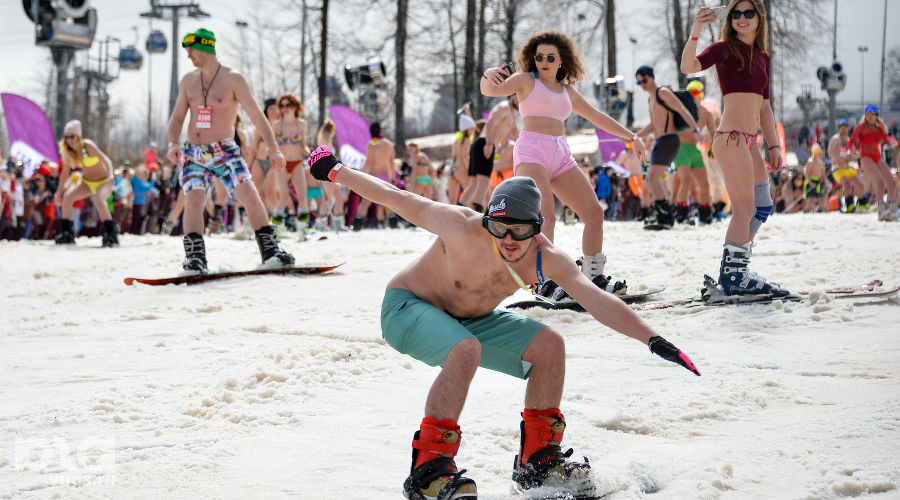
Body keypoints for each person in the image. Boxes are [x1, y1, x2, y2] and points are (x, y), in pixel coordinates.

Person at [306, 145, 701, 500]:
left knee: (550, 346)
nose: (508, 240)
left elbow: (598, 300)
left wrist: (653, 339)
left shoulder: (548, 258)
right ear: (487, 220)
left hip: (470, 319)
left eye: (520, 231)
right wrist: (335, 169)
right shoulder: (460, 226)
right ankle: (429, 472)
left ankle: (538, 462)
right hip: (407, 308)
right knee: (466, 350)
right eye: (499, 228)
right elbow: (395, 197)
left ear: (538, 228)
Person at [481, 29, 648, 302]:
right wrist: (489, 74)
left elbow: (598, 117)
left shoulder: (567, 91)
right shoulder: (525, 81)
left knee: (594, 212)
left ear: (561, 61)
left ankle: (593, 276)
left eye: (550, 57)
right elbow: (490, 89)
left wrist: (632, 136)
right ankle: (542, 281)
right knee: (545, 215)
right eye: (539, 56)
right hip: (532, 150)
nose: (544, 61)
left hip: (560, 153)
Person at [682, 0, 790, 298]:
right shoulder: (724, 49)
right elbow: (688, 67)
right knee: (743, 208)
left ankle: (737, 268)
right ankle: (733, 277)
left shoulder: (763, 58)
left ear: (759, 18)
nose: (742, 19)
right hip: (730, 138)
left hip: (751, 141)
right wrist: (696, 30)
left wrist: (774, 146)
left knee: (762, 206)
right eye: (736, 14)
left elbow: (765, 107)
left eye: (748, 13)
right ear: (729, 20)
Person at [166, 27, 293, 272]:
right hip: (193, 151)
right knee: (194, 199)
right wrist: (173, 142)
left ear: (205, 47)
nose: (188, 54)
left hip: (224, 149)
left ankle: (270, 251)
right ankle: (195, 257)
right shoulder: (188, 80)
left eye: (191, 49)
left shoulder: (233, 79)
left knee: (249, 194)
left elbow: (257, 116)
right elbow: (176, 118)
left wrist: (274, 149)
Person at [634, 65, 701, 229]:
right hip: (660, 142)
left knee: (653, 178)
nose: (642, 85)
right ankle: (663, 214)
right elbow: (653, 125)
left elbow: (682, 108)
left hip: (670, 140)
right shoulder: (651, 100)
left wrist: (695, 129)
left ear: (651, 77)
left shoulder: (662, 93)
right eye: (639, 83)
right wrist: (634, 136)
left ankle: (666, 216)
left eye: (644, 80)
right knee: (650, 179)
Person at [54, 119, 120, 247]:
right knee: (67, 197)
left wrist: (112, 175)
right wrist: (59, 192)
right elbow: (65, 173)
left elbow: (106, 160)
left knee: (98, 200)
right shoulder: (68, 152)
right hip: (87, 182)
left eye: (72, 136)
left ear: (78, 136)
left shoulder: (87, 145)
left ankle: (111, 234)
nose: (69, 140)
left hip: (104, 181)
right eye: (66, 137)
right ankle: (67, 233)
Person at [459, 95, 519, 212]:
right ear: (512, 96)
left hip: (482, 145)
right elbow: (490, 122)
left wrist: (523, 146)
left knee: (474, 184)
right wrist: (489, 143)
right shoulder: (503, 107)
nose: (520, 100)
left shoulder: (513, 115)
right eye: (518, 97)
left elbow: (515, 132)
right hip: (485, 144)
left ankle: (458, 212)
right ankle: (476, 213)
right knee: (484, 183)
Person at [673, 80, 716, 224]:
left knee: (705, 184)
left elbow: (713, 134)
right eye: (690, 93)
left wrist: (712, 145)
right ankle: (682, 215)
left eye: (695, 92)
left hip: (694, 150)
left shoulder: (706, 114)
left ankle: (705, 215)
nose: (692, 96)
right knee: (686, 181)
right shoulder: (681, 110)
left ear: (701, 94)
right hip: (680, 148)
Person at [271, 93, 312, 235]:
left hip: (296, 162)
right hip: (282, 163)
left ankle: (303, 229)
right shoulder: (276, 125)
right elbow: (273, 145)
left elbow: (303, 145)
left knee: (302, 196)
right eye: (282, 105)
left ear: (294, 106)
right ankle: (276, 229)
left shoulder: (301, 124)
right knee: (283, 197)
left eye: (288, 105)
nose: (285, 108)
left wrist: (310, 153)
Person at [849, 105, 896, 221]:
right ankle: (881, 211)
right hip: (866, 157)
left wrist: (897, 143)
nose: (869, 117)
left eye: (872, 114)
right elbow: (851, 141)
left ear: (876, 116)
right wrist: (853, 151)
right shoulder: (861, 127)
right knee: (880, 183)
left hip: (877, 158)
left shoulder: (880, 128)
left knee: (892, 183)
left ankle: (891, 210)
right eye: (867, 114)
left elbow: (889, 142)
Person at [354, 122, 397, 230]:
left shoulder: (371, 144)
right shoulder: (389, 144)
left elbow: (369, 162)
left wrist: (361, 174)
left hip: (374, 175)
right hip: (386, 176)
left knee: (366, 201)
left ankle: (358, 223)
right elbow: (392, 163)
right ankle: (393, 223)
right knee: (388, 201)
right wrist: (394, 177)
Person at [315, 119, 346, 231]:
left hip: (332, 171)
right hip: (326, 172)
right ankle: (321, 222)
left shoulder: (328, 140)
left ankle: (338, 223)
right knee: (328, 198)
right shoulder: (324, 141)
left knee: (339, 198)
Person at [828, 119, 865, 212]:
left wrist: (860, 151)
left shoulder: (849, 140)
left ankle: (863, 204)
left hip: (847, 167)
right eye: (841, 128)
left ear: (848, 129)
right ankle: (849, 205)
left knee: (859, 185)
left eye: (845, 128)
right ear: (839, 129)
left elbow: (854, 154)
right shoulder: (836, 139)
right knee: (846, 183)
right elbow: (830, 152)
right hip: (837, 167)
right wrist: (838, 159)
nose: (843, 129)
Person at [802, 143, 828, 212]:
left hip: (819, 182)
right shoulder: (810, 161)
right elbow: (807, 174)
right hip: (811, 181)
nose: (819, 154)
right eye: (818, 152)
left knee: (823, 198)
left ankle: (819, 212)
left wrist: (826, 183)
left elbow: (823, 174)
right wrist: (810, 183)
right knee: (811, 199)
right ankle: (806, 211)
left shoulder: (821, 162)